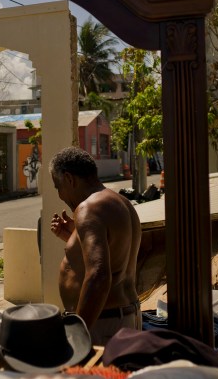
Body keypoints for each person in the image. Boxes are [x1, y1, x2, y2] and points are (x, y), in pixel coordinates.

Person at [49, 146, 142, 345]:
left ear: (69, 179)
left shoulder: (89, 208)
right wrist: (72, 238)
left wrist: (77, 331)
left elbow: (99, 275)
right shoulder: (120, 202)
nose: (60, 195)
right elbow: (114, 255)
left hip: (102, 325)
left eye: (58, 187)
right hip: (120, 317)